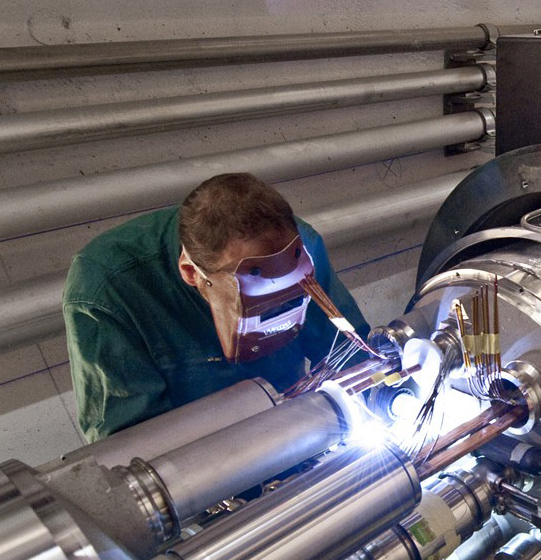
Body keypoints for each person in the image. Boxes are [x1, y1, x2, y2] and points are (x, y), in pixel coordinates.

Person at [63, 172, 368, 441]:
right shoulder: (108, 290)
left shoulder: (298, 246)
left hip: (301, 430)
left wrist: (381, 395)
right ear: (192, 273)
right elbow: (132, 446)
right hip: (201, 474)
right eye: (261, 302)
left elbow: (349, 351)